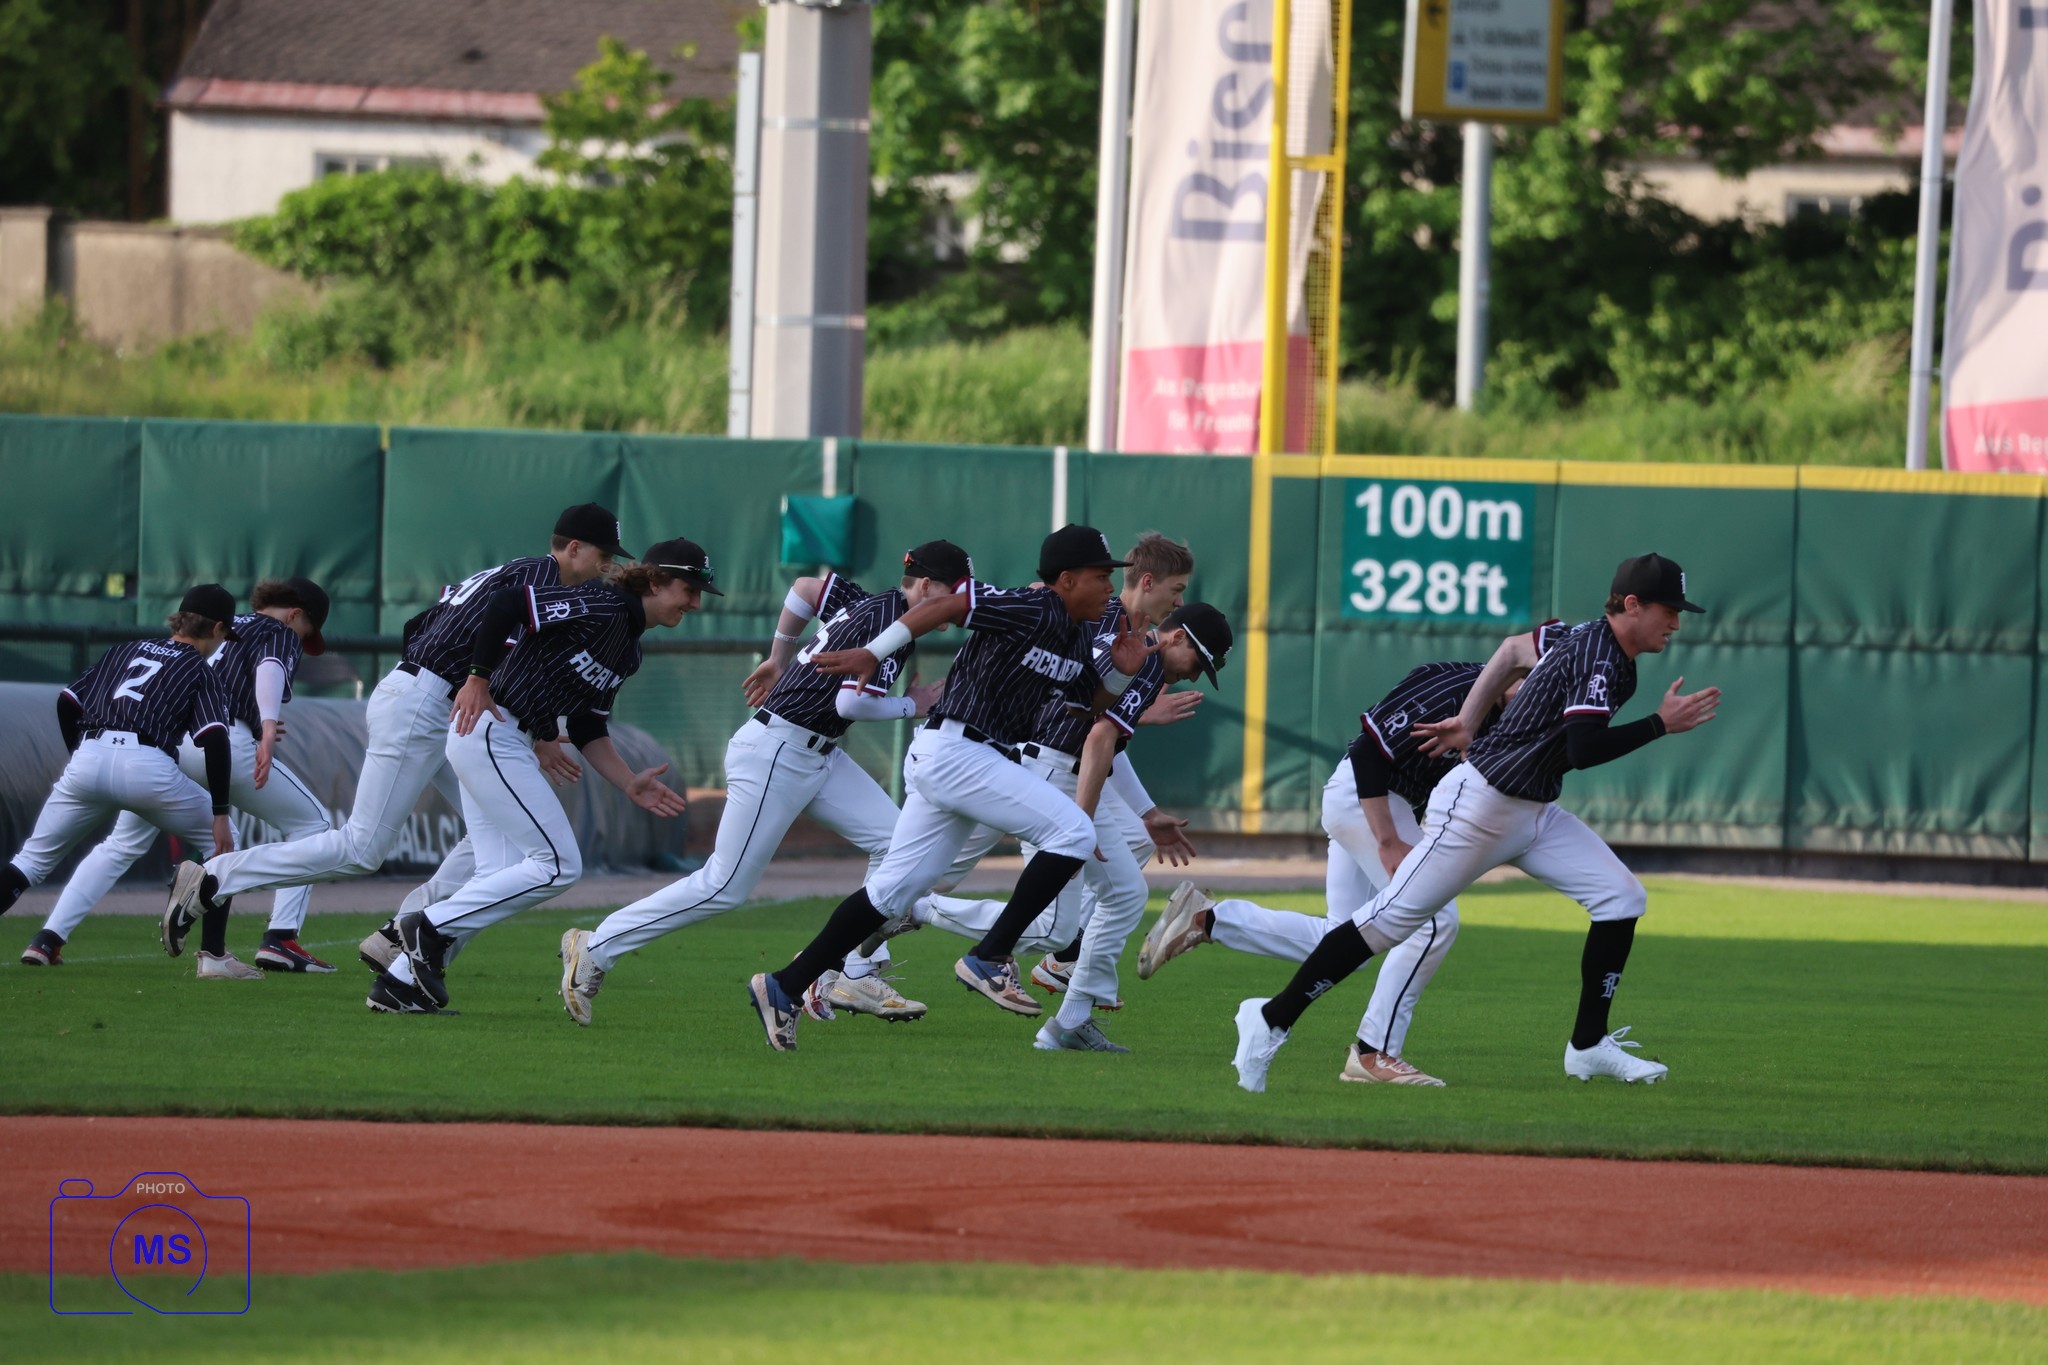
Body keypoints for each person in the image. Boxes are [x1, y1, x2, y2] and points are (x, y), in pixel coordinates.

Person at [1230, 554, 1720, 1093]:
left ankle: (1587, 1045)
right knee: (1388, 924)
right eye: (1668, 610)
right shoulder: (1600, 655)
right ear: (1632, 605)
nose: (1675, 622)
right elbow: (1582, 749)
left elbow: (1512, 650)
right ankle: (1271, 1017)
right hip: (1479, 808)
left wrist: (1468, 716)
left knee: (1621, 896)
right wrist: (1658, 725)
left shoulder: (1583, 636)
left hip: (1532, 810)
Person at [743, 524, 1156, 1051]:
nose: (1108, 588)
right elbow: (948, 605)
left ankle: (782, 986)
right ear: (1067, 579)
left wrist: (1119, 675)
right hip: (959, 749)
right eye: (1102, 577)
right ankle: (989, 956)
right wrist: (874, 652)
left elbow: (1088, 706)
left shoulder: (1075, 636)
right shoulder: (1032, 607)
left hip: (963, 758)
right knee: (1074, 831)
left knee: (891, 894)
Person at [163, 504, 627, 959]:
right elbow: (506, 648)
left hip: (439, 704)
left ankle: (404, 933)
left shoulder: (516, 572)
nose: (609, 564)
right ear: (572, 547)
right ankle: (213, 878)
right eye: (604, 553)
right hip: (428, 703)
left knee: (494, 838)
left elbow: (419, 624)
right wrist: (521, 719)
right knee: (362, 848)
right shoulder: (542, 579)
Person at [555, 542, 971, 1028]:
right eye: (950, 594)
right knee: (724, 886)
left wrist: (779, 656)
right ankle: (595, 947)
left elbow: (804, 589)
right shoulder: (888, 624)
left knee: (902, 850)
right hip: (779, 751)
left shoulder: (869, 601)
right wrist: (913, 704)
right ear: (925, 586)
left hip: (816, 753)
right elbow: (849, 706)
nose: (953, 610)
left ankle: (848, 970)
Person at [1139, 621, 1568, 1083]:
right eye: (1535, 678)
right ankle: (1373, 1051)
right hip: (1368, 799)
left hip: (1383, 804)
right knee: (1432, 921)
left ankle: (1209, 921)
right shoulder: (1456, 689)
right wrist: (1387, 841)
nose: (1538, 694)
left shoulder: (1521, 717)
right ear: (1516, 665)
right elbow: (1367, 753)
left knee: (1347, 937)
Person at [370, 539, 711, 1013]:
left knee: (500, 874)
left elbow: (590, 724)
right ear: (654, 580)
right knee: (557, 865)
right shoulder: (603, 602)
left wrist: (628, 780)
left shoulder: (628, 649)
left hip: (507, 737)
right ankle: (425, 927)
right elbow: (509, 602)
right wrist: (476, 678)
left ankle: (399, 983)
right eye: (688, 588)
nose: (694, 602)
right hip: (493, 728)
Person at [909, 532, 1203, 1005]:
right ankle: (918, 921)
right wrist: (1082, 819)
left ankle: (1073, 999)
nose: (1180, 599)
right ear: (1148, 581)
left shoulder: (1129, 636)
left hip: (1030, 762)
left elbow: (1095, 720)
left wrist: (1144, 808)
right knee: (937, 880)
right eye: (1177, 588)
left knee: (1122, 878)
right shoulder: (1100, 622)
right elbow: (1090, 723)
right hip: (1026, 761)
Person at [28, 578, 339, 972]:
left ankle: (48, 937)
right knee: (313, 827)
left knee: (120, 845)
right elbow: (270, 667)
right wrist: (267, 725)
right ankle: (280, 938)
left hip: (170, 749)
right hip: (223, 742)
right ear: (295, 614)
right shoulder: (278, 630)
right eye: (306, 630)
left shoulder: (222, 622)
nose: (302, 638)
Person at [2, 585, 244, 976]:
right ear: (217, 628)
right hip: (148, 766)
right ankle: (214, 956)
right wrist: (219, 813)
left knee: (30, 861)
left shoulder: (124, 650)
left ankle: (48, 941)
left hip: (90, 756)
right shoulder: (198, 667)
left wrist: (80, 753)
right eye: (225, 635)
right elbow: (214, 739)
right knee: (223, 846)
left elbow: (68, 700)